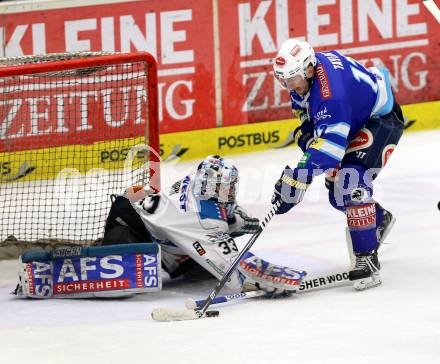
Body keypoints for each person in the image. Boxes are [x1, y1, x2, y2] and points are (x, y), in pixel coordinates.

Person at [271, 39, 404, 290]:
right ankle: (378, 219)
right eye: (282, 80)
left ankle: (367, 258)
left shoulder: (332, 96)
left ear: (309, 70)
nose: (288, 86)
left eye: (291, 79)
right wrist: (307, 139)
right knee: (337, 197)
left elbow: (330, 151)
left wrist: (298, 178)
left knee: (350, 183)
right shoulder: (303, 76)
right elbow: (306, 116)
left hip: (380, 119)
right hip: (356, 116)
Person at [103, 155, 306, 296]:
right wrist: (265, 279)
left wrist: (235, 222)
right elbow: (232, 264)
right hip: (130, 224)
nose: (226, 192)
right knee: (126, 269)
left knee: (229, 227)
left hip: (156, 227)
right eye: (221, 188)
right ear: (208, 186)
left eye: (228, 187)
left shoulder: (198, 181)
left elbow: (232, 216)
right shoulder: (202, 218)